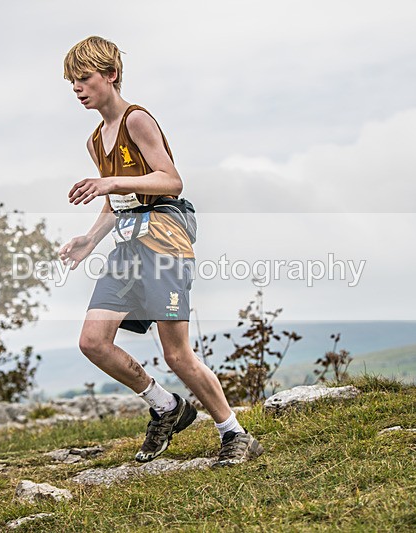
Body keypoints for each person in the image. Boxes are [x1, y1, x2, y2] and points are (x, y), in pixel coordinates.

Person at [59, 35, 263, 466]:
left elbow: (170, 181)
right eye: (71, 82)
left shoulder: (138, 120)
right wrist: (89, 239)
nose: (77, 88)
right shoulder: (96, 140)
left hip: (165, 241)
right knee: (93, 342)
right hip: (127, 247)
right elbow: (118, 202)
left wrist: (112, 183)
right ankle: (167, 406)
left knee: (176, 353)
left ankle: (235, 433)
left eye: (84, 78)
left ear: (110, 75)